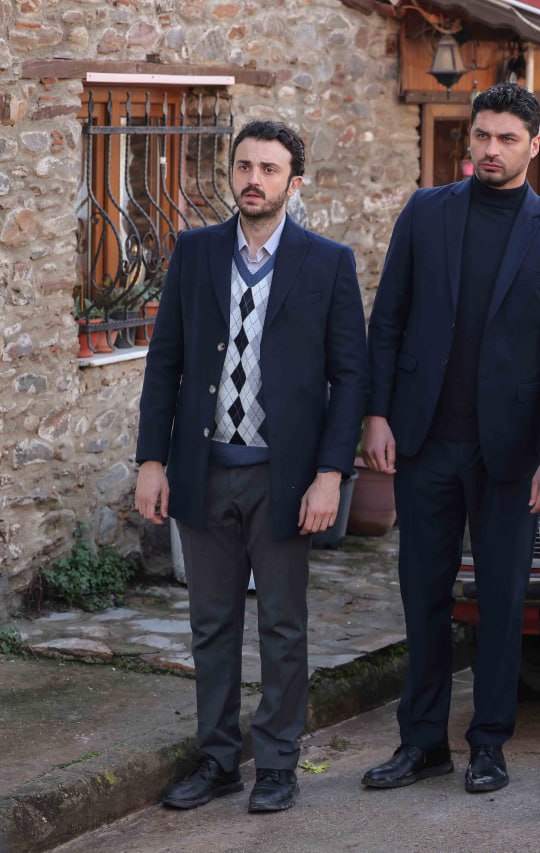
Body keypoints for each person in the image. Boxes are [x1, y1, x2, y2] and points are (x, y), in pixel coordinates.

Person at [360, 83, 540, 796]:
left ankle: (489, 743)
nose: (491, 149)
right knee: (423, 596)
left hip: (510, 454)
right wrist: (376, 414)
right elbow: (388, 318)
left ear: (535, 144)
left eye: (506, 139)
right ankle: (422, 742)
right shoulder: (426, 211)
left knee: (501, 601)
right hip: (425, 440)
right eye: (482, 135)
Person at [134, 120, 368, 813]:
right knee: (210, 624)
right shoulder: (195, 251)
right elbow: (165, 362)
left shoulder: (328, 263)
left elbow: (350, 378)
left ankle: (276, 765)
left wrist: (331, 474)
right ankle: (217, 760)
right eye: (244, 166)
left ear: (294, 183)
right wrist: (151, 460)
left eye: (269, 168)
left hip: (285, 478)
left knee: (282, 627)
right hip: (204, 469)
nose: (253, 179)